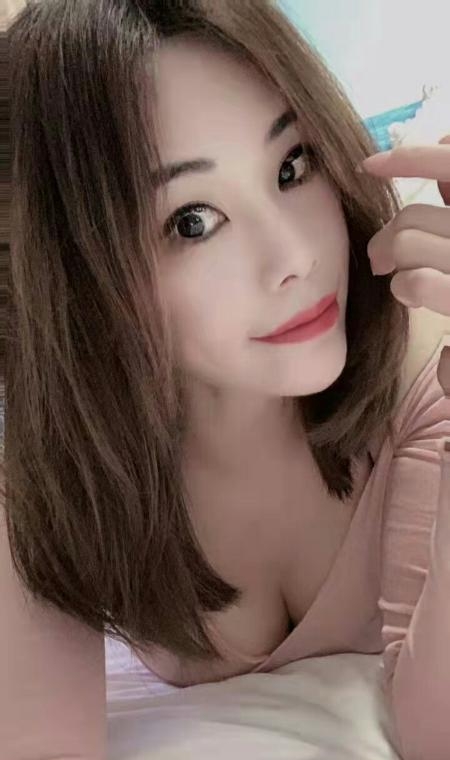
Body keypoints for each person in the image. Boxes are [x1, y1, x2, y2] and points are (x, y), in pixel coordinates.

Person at [2, 2, 450, 759]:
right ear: (73, 275)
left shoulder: (423, 364)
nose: (295, 256)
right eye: (193, 222)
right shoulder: (53, 473)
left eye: (292, 166)